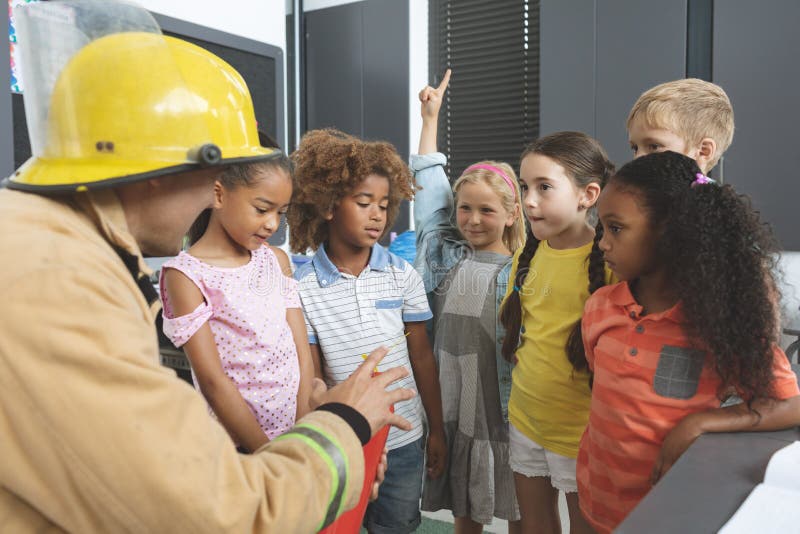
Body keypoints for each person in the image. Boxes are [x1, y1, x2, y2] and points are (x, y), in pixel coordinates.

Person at [0, 2, 411, 531]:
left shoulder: (49, 240)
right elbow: (219, 513)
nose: (211, 194)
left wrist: (322, 437)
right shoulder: (56, 283)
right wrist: (346, 427)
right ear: (157, 170)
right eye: (214, 173)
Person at [577, 151, 800, 533]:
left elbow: (790, 404)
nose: (602, 243)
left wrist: (699, 423)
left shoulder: (716, 324)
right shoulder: (599, 309)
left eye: (616, 228)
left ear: (670, 232)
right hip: (592, 504)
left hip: (666, 515)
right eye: (602, 228)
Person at [289, 128, 446, 534]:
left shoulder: (401, 275)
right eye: (364, 203)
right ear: (327, 206)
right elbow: (315, 374)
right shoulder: (302, 290)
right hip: (343, 437)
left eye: (383, 204)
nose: (377, 214)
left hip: (403, 437)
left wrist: (437, 428)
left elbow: (422, 356)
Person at [411, 70, 524, 534]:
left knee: (520, 501)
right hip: (450, 397)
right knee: (463, 500)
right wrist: (429, 118)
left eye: (487, 210)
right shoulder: (444, 251)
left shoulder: (522, 270)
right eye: (465, 208)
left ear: (512, 213)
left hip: (500, 405)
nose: (473, 219)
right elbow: (429, 185)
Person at [499, 131, 615, 533]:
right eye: (525, 187)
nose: (529, 200)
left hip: (582, 432)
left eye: (544, 187)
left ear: (588, 195)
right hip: (526, 419)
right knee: (534, 525)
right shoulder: (526, 257)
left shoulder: (612, 263)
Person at [159, 154, 314, 452]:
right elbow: (213, 381)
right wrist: (269, 456)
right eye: (261, 209)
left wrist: (303, 430)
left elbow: (300, 351)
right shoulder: (186, 275)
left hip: (298, 435)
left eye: (281, 212)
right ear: (218, 194)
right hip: (238, 448)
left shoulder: (276, 260)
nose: (272, 224)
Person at [627, 78, 734, 174]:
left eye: (654, 146)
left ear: (703, 151)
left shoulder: (715, 196)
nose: (637, 158)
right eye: (635, 148)